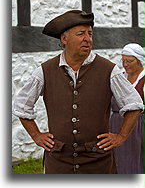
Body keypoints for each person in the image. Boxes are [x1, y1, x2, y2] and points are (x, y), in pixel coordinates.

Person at [12, 10, 143, 174]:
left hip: (98, 162)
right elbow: (21, 106)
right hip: (59, 162)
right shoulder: (45, 71)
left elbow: (134, 104)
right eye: (81, 34)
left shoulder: (109, 70)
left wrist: (121, 136)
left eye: (90, 33)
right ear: (64, 39)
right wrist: (36, 135)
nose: (87, 39)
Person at [110, 43, 144, 174]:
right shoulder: (120, 78)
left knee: (136, 159)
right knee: (119, 160)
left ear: (139, 60)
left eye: (129, 61)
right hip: (116, 125)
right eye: (123, 60)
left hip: (138, 127)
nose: (125, 64)